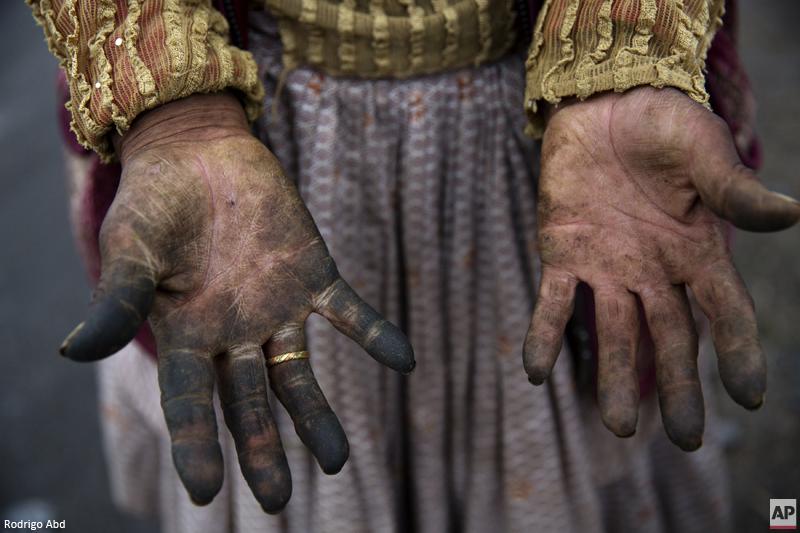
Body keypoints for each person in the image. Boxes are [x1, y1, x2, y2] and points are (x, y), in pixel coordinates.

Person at [28, 0, 799, 531]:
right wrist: (174, 112)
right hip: (252, 138)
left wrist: (625, 51)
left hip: (542, 131)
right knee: (267, 419)